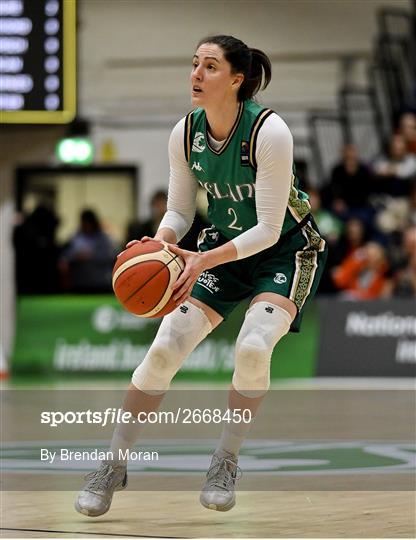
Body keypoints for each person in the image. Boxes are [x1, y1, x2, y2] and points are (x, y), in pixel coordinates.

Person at [75, 35, 327, 516]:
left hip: (285, 251)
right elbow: (180, 211)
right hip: (219, 250)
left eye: (210, 66)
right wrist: (163, 245)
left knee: (253, 348)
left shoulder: (269, 132)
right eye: (194, 64)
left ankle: (225, 461)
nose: (196, 74)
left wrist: (197, 261)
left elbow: (269, 230)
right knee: (165, 346)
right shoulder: (184, 132)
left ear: (236, 79)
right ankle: (112, 464)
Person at [59, 209, 118, 292]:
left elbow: (111, 256)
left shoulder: (104, 239)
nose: (87, 226)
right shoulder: (75, 237)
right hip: (80, 283)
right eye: (84, 223)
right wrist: (75, 257)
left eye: (88, 223)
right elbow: (65, 256)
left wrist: (91, 256)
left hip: (100, 283)